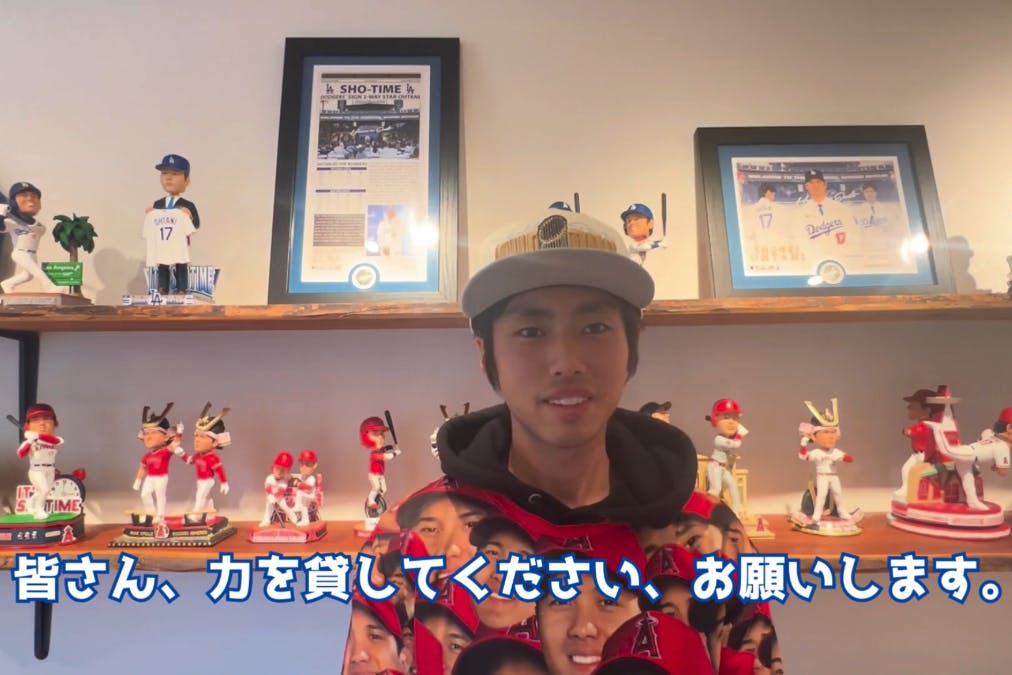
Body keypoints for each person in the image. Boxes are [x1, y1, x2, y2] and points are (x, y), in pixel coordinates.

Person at [345, 206, 699, 667]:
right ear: (485, 355)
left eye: (595, 328)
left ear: (632, 347)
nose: (566, 362)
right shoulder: (408, 543)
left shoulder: (707, 541)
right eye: (530, 331)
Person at [144, 154, 199, 294]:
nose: (168, 178)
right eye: (164, 173)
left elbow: (196, 224)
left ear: (186, 180)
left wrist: (189, 216)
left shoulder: (187, 205)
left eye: (174, 174)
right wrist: (151, 214)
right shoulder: (158, 204)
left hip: (179, 243)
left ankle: (182, 289)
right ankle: (162, 288)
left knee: (181, 264)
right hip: (162, 242)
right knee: (162, 264)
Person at [793, 169, 861, 277]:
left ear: (825, 184)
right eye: (811, 183)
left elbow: (854, 233)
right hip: (814, 262)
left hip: (842, 260)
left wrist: (847, 252)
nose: (815, 185)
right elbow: (798, 240)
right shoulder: (799, 213)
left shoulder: (842, 209)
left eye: (818, 182)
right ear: (806, 186)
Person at [1, 181, 60, 294]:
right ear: (14, 201)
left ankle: (7, 284)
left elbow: (35, 227)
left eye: (34, 196)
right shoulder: (13, 222)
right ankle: (50, 287)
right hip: (20, 253)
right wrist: (2, 212)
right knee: (38, 272)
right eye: (23, 195)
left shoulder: (37, 224)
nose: (30, 198)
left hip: (32, 254)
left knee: (27, 276)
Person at [176, 402, 230, 513]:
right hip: (200, 481)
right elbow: (189, 460)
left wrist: (224, 483)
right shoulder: (198, 455)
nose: (197, 440)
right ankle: (210, 511)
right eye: (196, 436)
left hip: (207, 481)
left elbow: (219, 470)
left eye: (202, 437)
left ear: (215, 442)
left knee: (200, 497)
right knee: (206, 498)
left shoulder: (212, 458)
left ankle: (196, 515)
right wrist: (182, 454)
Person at [132, 402, 181, 524]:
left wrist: (179, 433)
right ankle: (151, 514)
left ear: (166, 436)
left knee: (160, 496)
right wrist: (138, 481)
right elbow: (142, 469)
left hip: (161, 478)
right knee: (144, 494)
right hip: (150, 478)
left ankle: (160, 516)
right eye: (146, 433)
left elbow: (175, 444)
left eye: (153, 433)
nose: (148, 437)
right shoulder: (147, 456)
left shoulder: (165, 452)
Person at [16, 403, 64, 519]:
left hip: (50, 469)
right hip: (37, 470)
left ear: (54, 423)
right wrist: (29, 441)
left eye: (47, 418)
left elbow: (56, 441)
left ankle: (31, 503)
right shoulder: (30, 440)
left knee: (45, 491)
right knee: (44, 489)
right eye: (36, 419)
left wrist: (38, 436)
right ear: (28, 425)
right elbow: (21, 454)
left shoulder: (53, 439)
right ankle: (39, 510)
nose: (42, 423)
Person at [896, 388, 944, 499]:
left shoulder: (929, 426)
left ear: (927, 410)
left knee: (920, 473)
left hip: (927, 456)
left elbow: (915, 431)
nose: (908, 408)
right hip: (917, 454)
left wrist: (907, 431)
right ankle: (906, 489)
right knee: (906, 469)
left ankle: (929, 492)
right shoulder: (923, 425)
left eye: (913, 406)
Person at [705, 399, 747, 514]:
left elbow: (729, 450)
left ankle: (735, 512)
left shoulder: (726, 438)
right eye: (726, 417)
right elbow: (736, 444)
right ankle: (704, 512)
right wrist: (740, 434)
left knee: (733, 485)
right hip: (715, 467)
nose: (731, 422)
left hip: (723, 468)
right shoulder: (719, 439)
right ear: (715, 420)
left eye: (735, 418)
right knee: (715, 490)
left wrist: (732, 457)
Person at [260, 451, 298, 527]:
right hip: (270, 497)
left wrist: (274, 498)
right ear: (273, 467)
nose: (279, 472)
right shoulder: (269, 478)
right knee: (268, 507)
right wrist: (270, 497)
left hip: (280, 498)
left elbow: (280, 492)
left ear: (287, 471)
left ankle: (294, 519)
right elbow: (268, 489)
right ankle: (266, 521)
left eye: (283, 470)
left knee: (285, 507)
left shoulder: (283, 481)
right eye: (277, 468)